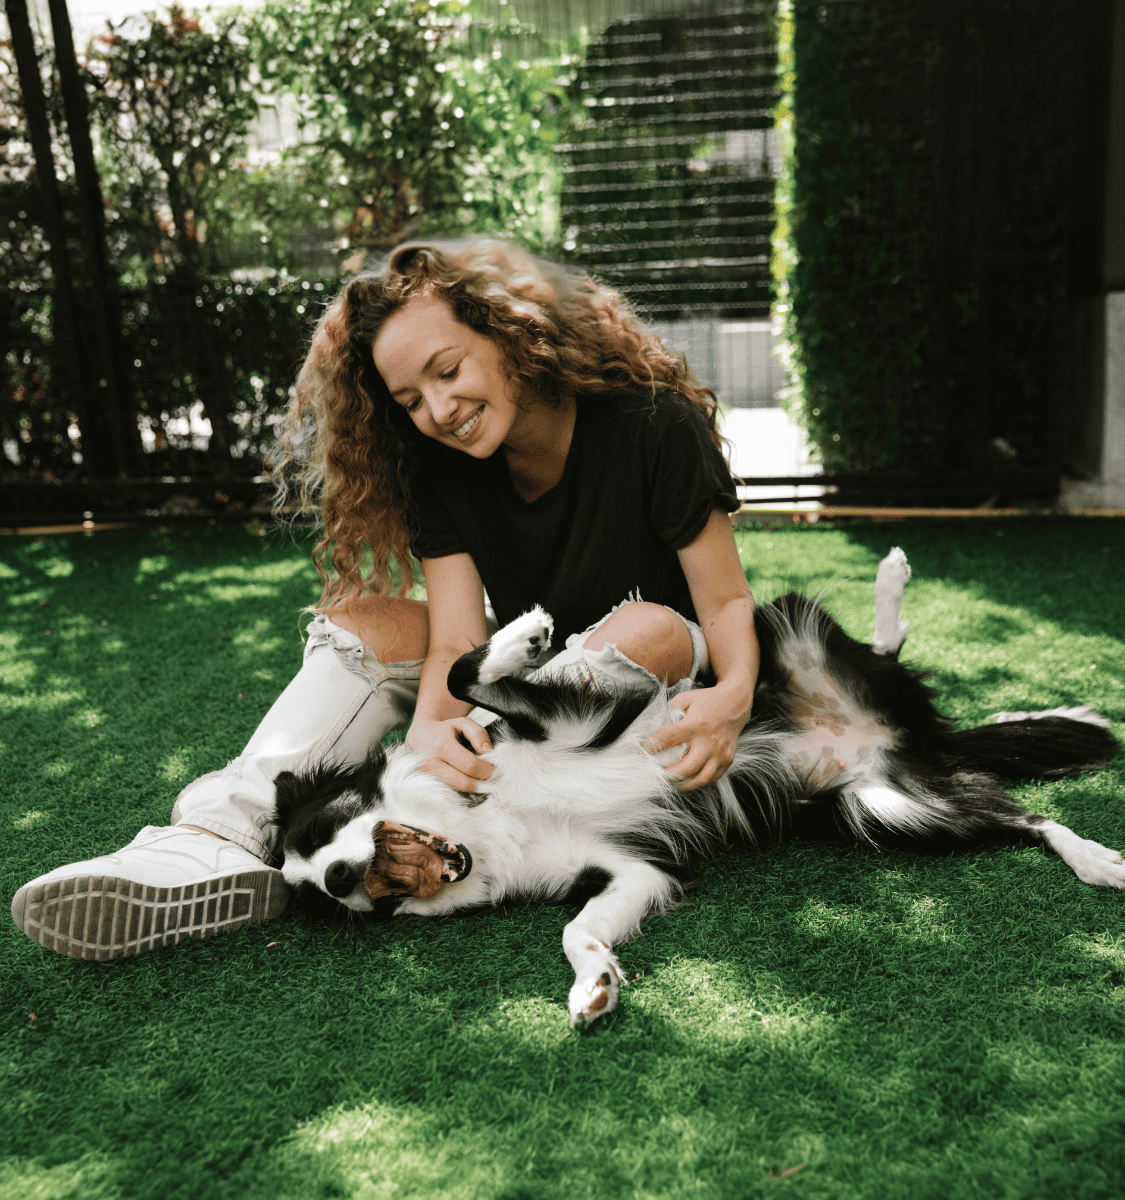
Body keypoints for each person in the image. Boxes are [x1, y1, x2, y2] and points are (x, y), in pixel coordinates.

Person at [11, 237, 759, 960]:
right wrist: (436, 728)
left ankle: (511, 773)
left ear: (510, 334)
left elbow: (724, 605)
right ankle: (212, 838)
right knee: (361, 621)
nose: (439, 408)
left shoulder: (655, 423)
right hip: (531, 659)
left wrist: (733, 697)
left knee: (645, 625)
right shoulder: (444, 469)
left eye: (448, 370)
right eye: (410, 399)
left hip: (656, 672)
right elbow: (453, 638)